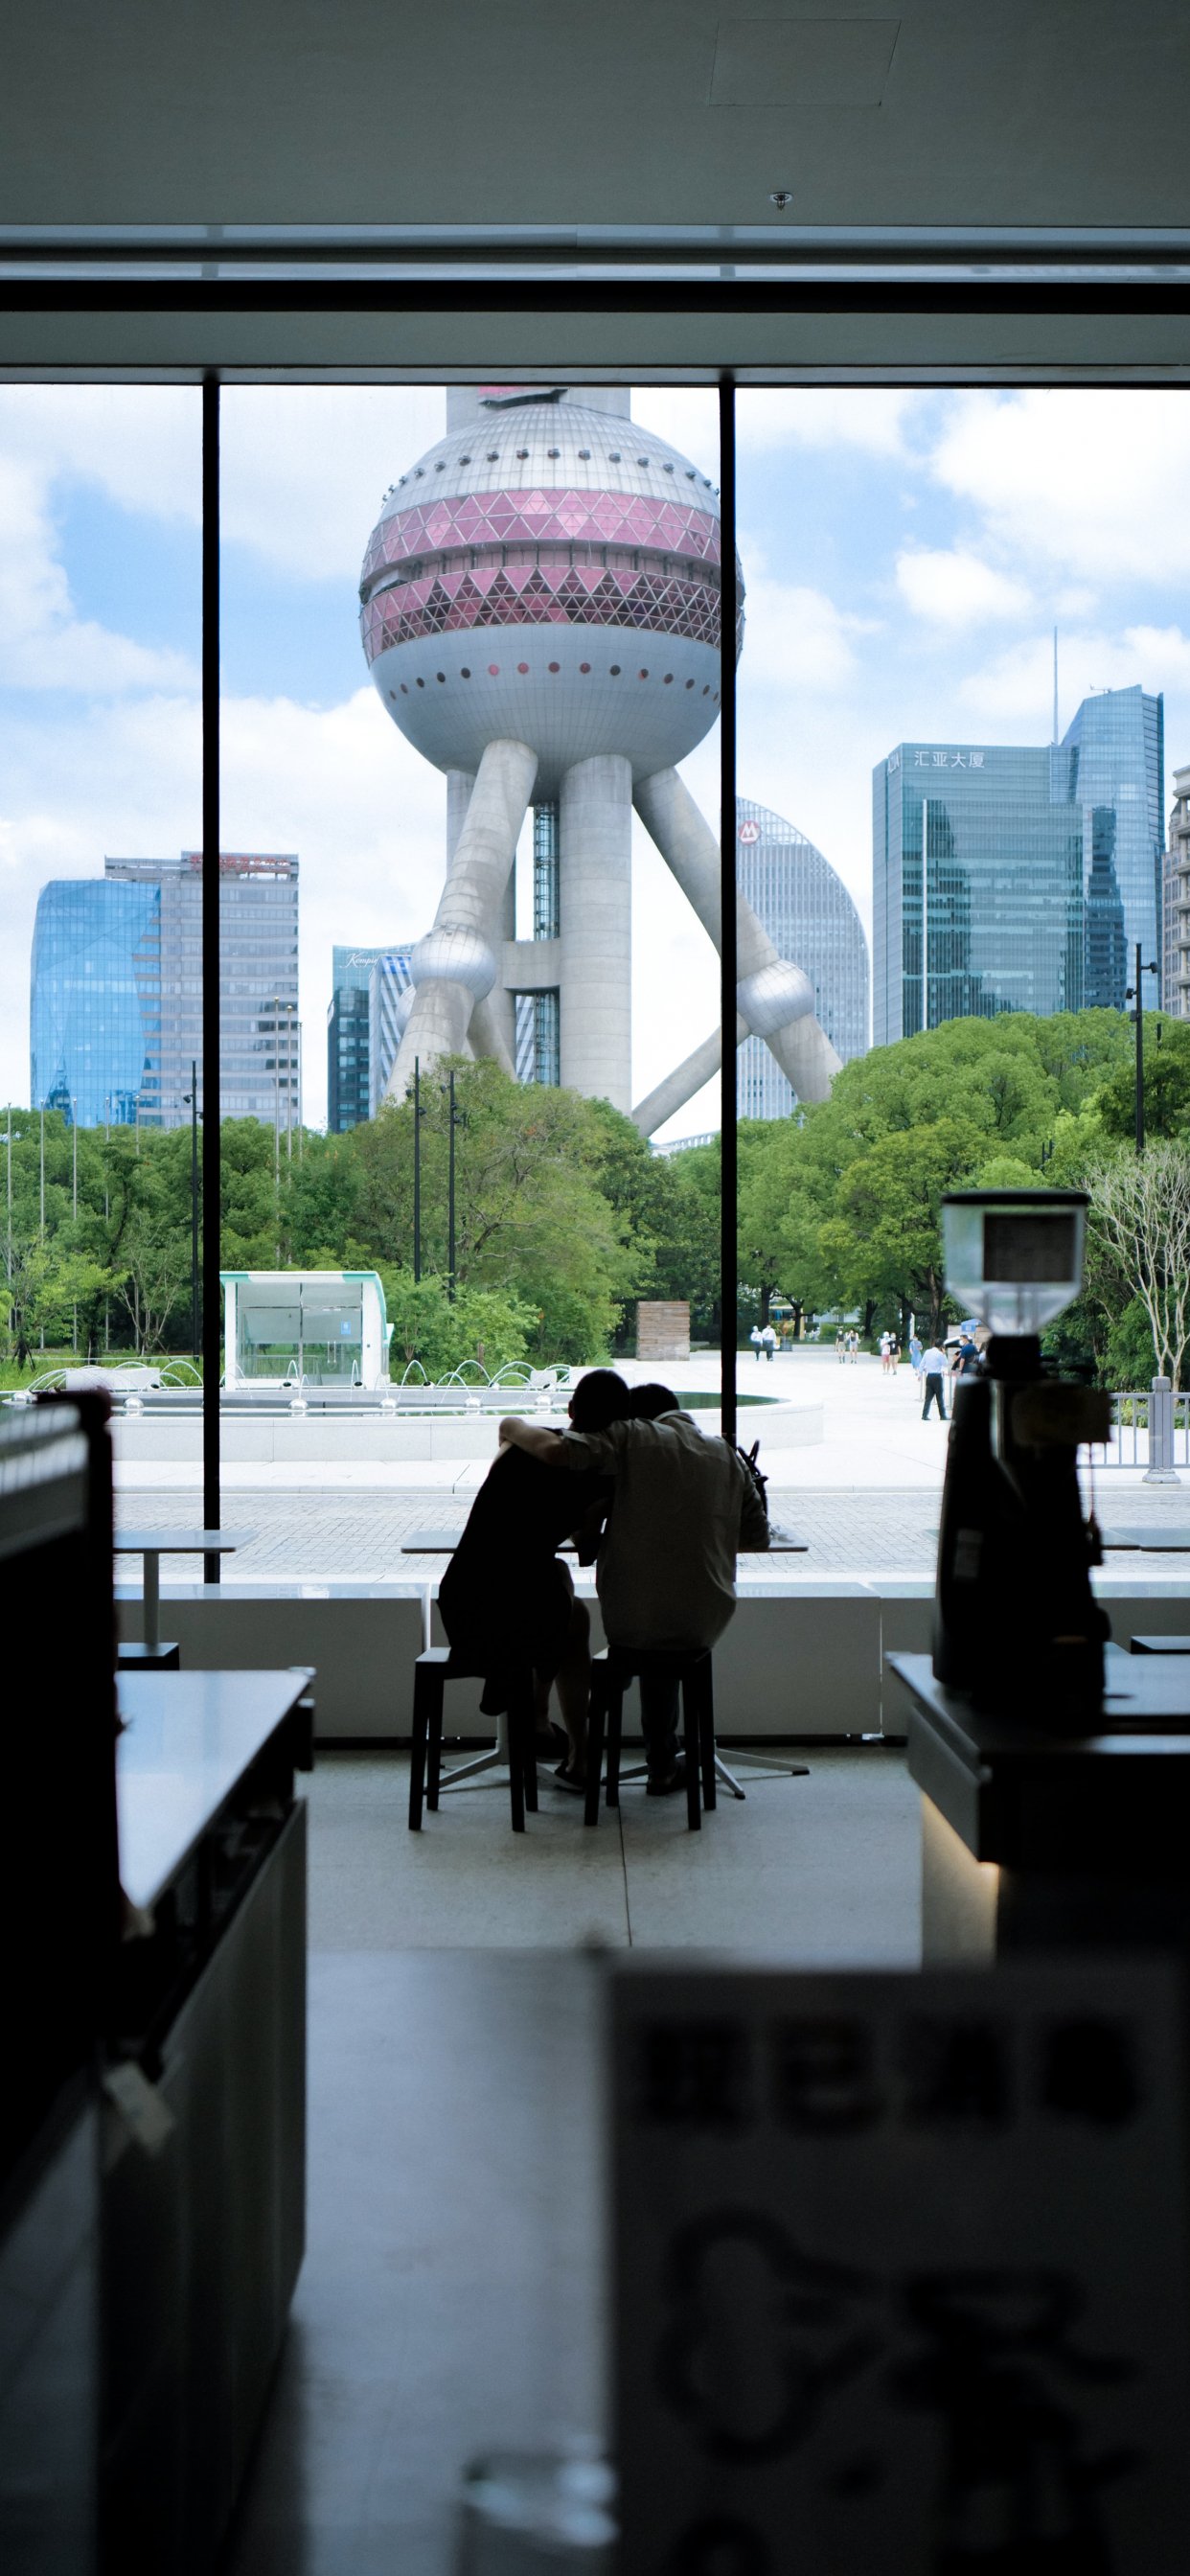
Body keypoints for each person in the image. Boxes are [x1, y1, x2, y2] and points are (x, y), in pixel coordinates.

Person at [499, 1376, 769, 1794]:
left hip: (632, 1622)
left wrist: (511, 1427)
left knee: (642, 1623)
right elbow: (757, 1535)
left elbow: (564, 1452)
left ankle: (586, 1752)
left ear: (635, 1417)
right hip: (706, 1622)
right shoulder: (725, 1455)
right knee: (668, 1633)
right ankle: (662, 1764)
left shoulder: (632, 1437)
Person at [438, 1366, 628, 1792]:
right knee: (573, 1618)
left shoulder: (523, 1443)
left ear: (571, 1408)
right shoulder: (601, 1478)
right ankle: (576, 1751)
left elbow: (507, 1431)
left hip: (463, 1600)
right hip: (519, 1610)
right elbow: (585, 1548)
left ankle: (534, 1716)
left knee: (556, 1579)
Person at [919, 1340, 949, 1421]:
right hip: (937, 1377)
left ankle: (924, 1415)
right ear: (941, 1346)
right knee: (939, 1397)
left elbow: (922, 1363)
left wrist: (919, 1374)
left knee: (928, 1397)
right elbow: (945, 1364)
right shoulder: (940, 1354)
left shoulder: (927, 1352)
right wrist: (944, 1354)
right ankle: (942, 1416)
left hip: (929, 1376)